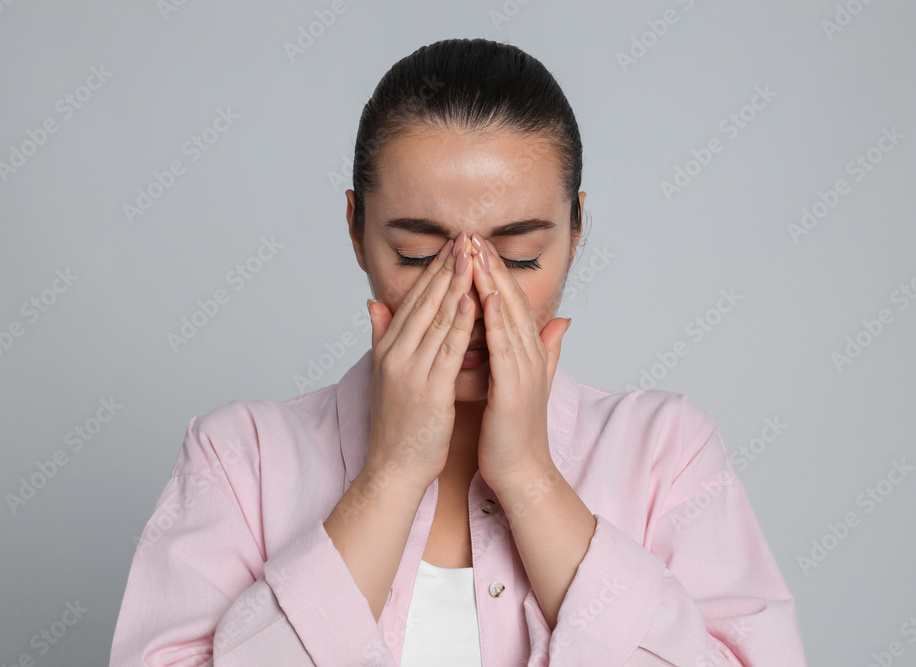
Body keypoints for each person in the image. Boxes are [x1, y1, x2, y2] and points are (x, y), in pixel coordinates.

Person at [109, 38, 807, 666]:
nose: (471, 296)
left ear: (577, 228)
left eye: (520, 256)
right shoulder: (238, 460)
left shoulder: (667, 453)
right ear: (356, 230)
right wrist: (389, 475)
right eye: (417, 254)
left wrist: (533, 479)